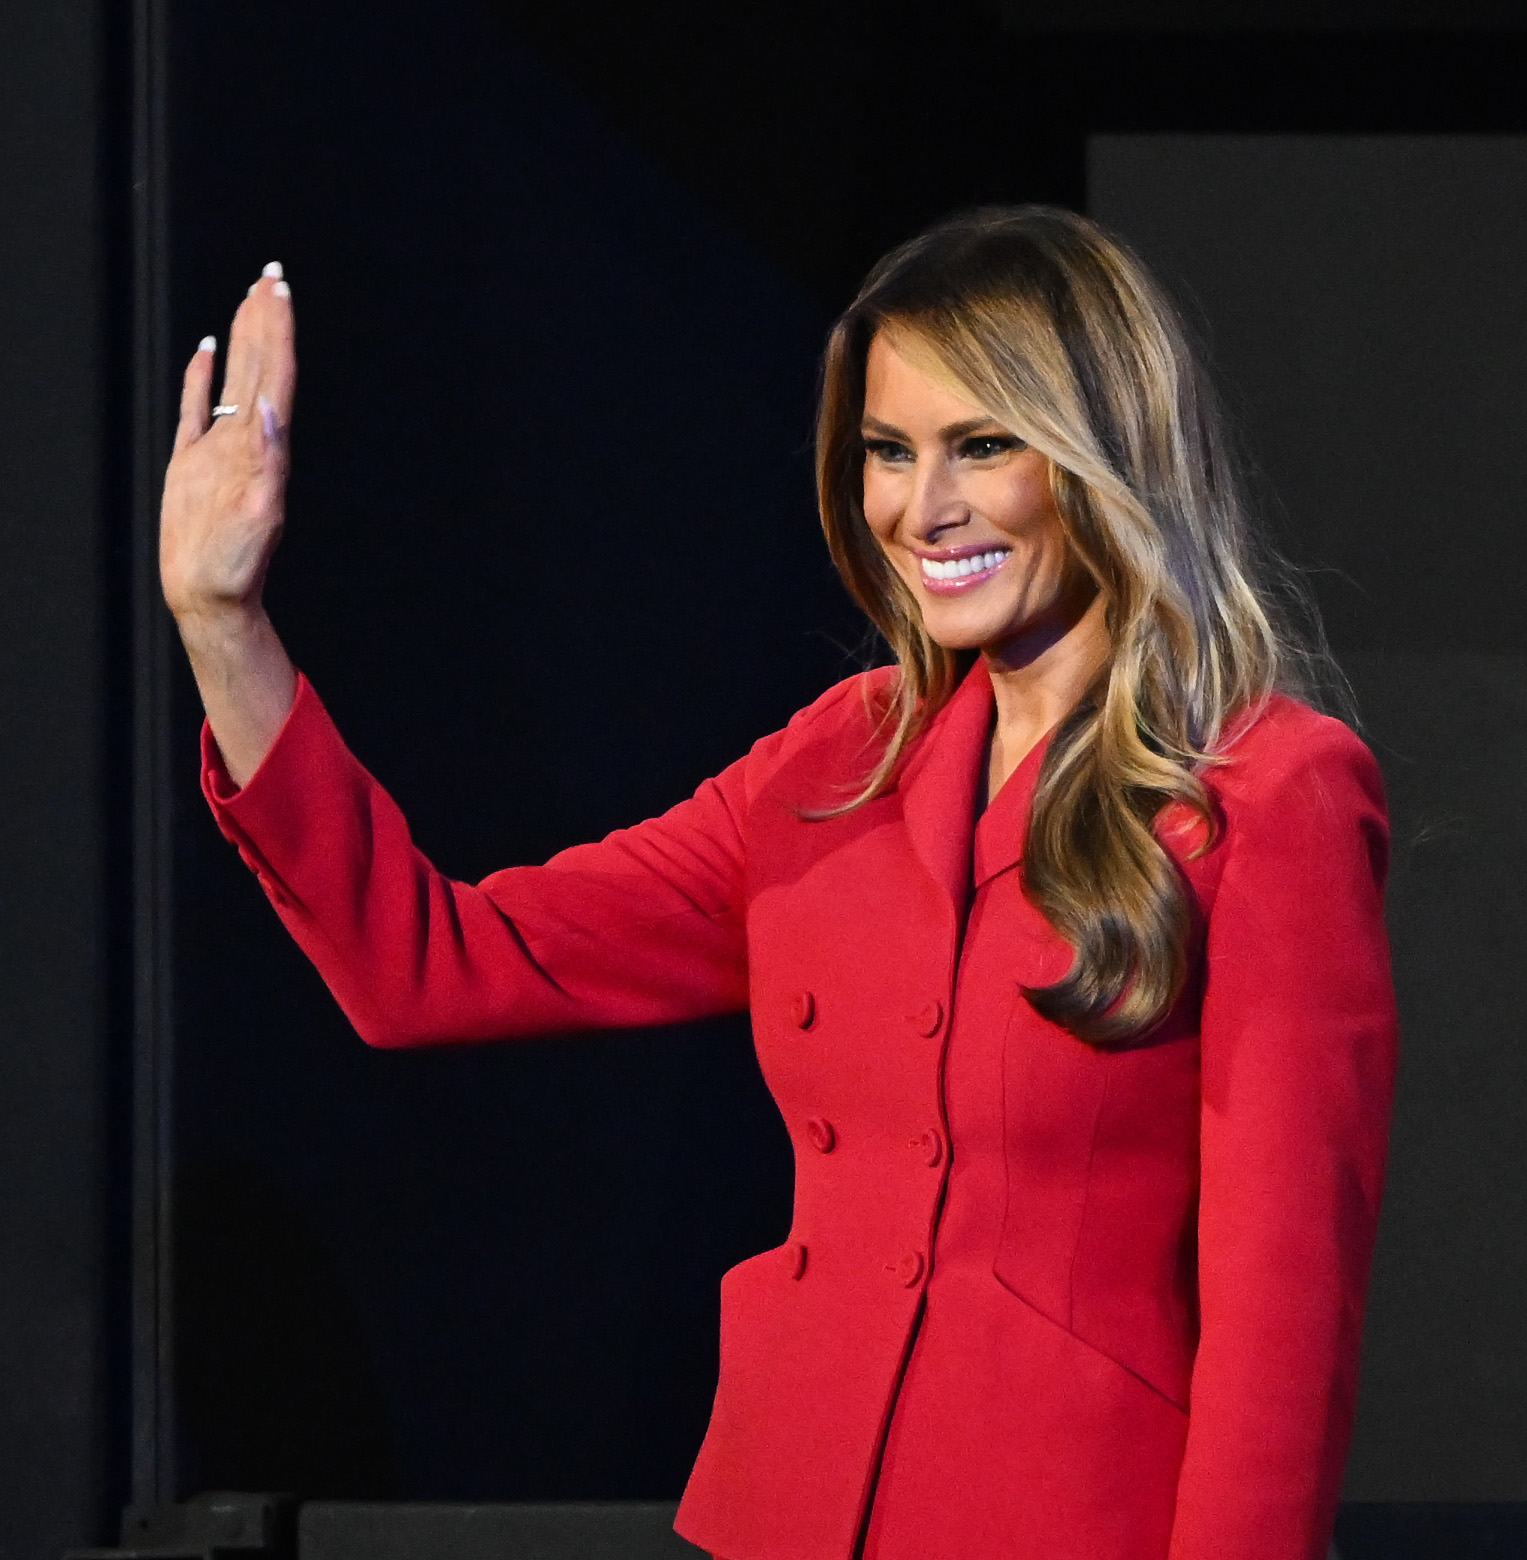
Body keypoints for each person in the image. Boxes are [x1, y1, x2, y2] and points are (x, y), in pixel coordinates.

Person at [160, 207, 1399, 1560]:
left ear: (1101, 456)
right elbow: (432, 965)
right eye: (888, 452)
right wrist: (227, 627)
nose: (922, 509)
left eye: (982, 445)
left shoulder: (1271, 794)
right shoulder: (837, 763)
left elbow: (1284, 1323)